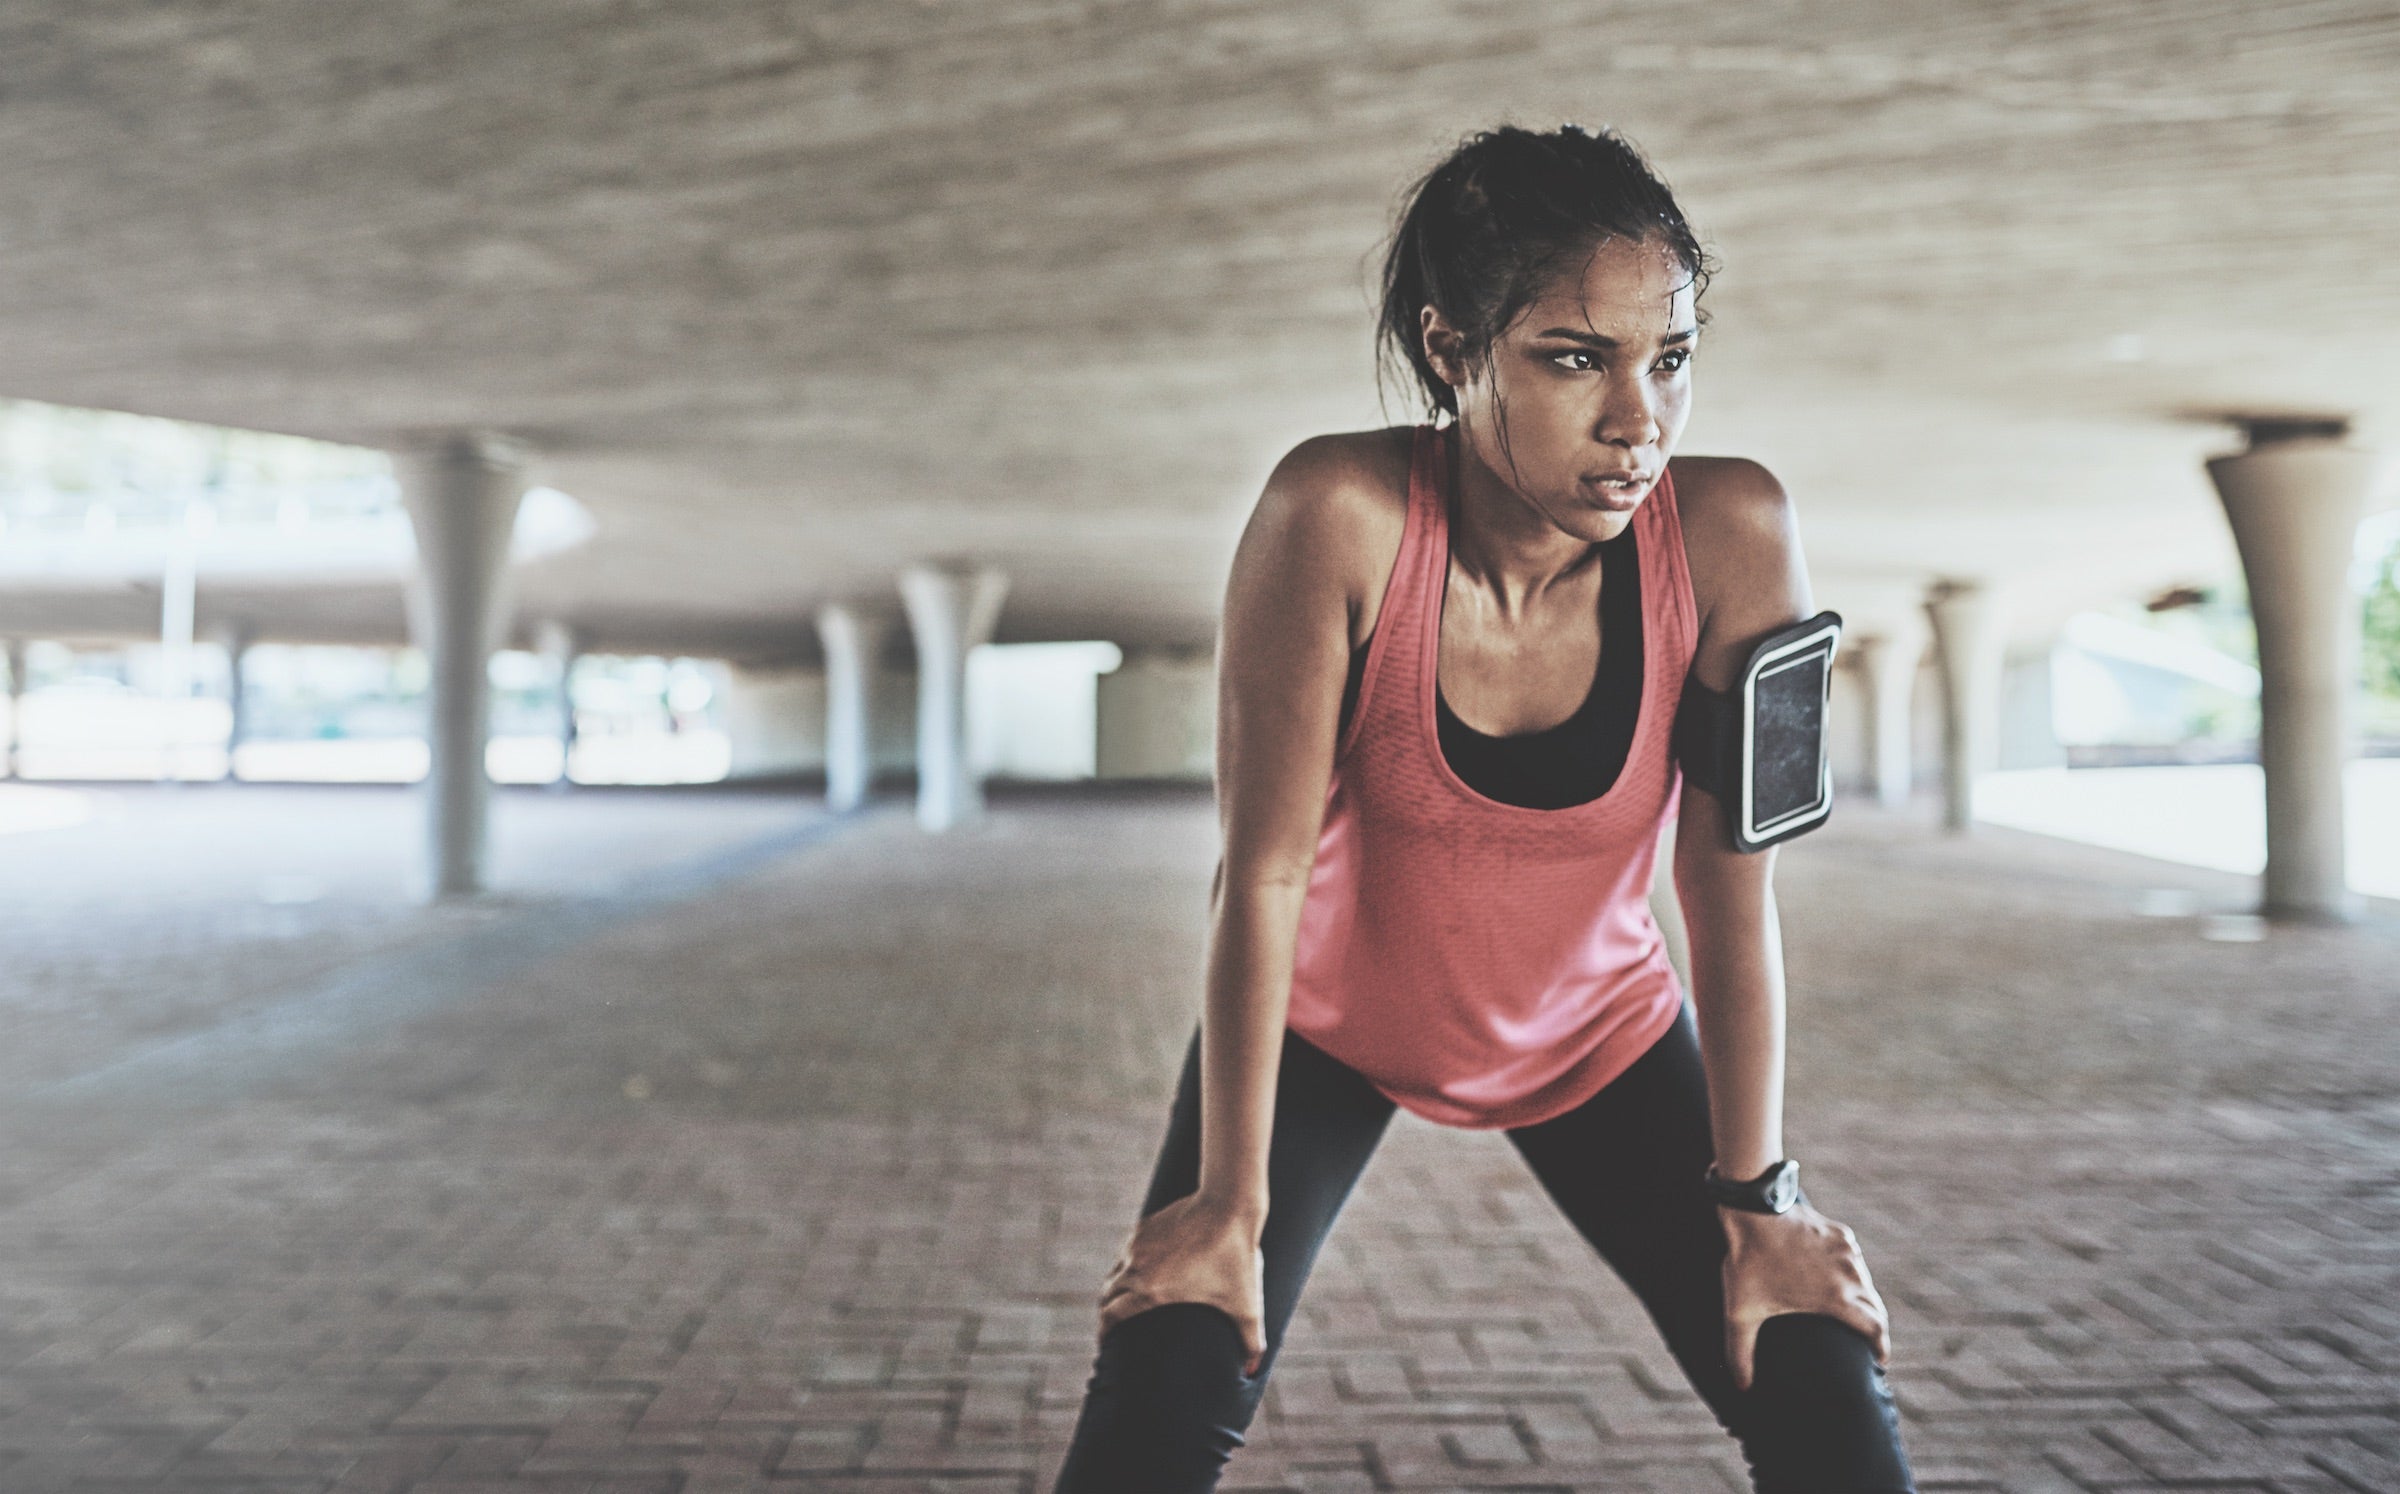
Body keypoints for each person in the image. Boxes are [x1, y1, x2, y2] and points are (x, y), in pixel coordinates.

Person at [1053, 124, 1916, 1493]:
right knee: (1166, 1378)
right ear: (1454, 348)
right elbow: (1262, 875)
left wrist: (1761, 1200)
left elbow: (1727, 886)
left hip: (1601, 1029)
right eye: (1576, 358)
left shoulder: (1738, 530)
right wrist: (1224, 1204)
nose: (1639, 417)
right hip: (1327, 1024)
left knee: (1818, 1380)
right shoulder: (1335, 511)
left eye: (1671, 356)